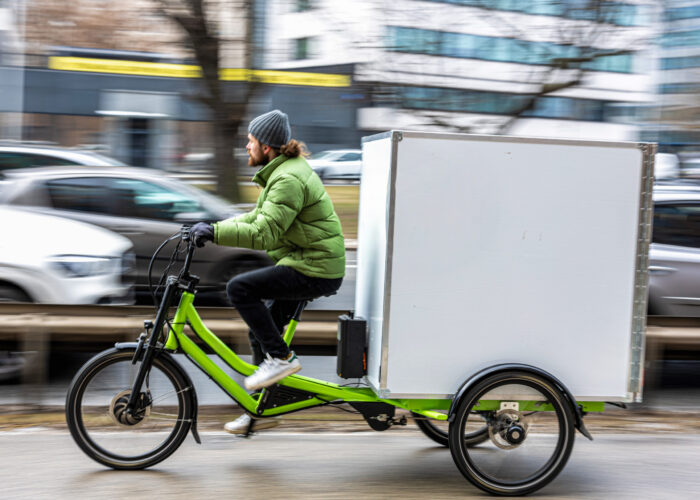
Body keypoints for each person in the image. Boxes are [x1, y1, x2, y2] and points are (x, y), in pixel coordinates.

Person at [190, 109, 345, 434]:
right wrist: (210, 227)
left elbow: (264, 233)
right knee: (260, 329)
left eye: (251, 141)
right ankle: (261, 408)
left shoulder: (287, 178)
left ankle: (282, 359)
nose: (247, 147)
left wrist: (215, 235)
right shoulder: (282, 172)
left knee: (239, 289)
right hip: (307, 261)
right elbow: (253, 218)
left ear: (267, 147)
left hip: (315, 266)